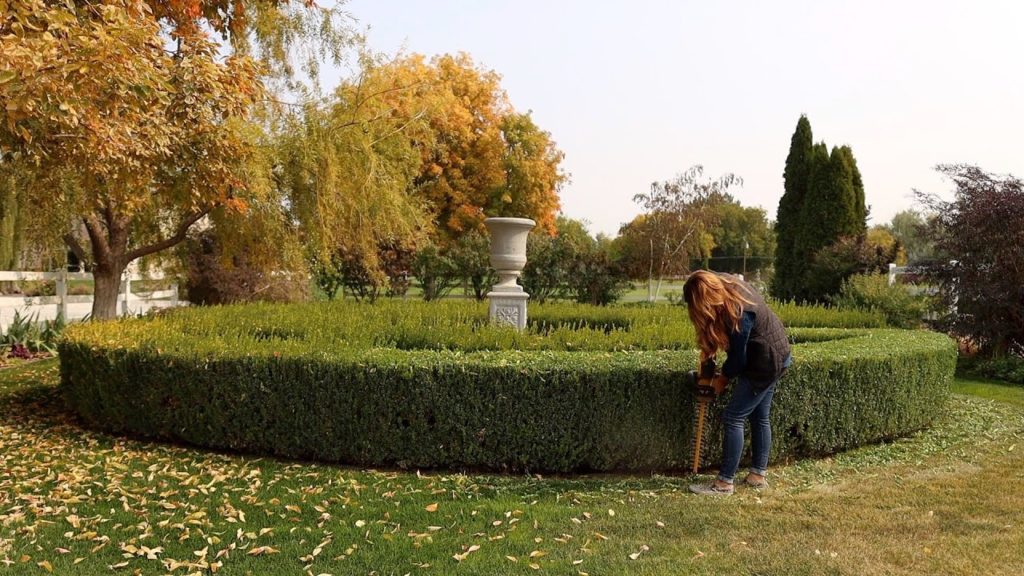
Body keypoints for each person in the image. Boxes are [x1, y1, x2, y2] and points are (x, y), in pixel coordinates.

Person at [683, 270, 792, 496]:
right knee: (760, 416)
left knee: (733, 417)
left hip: (765, 362)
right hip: (779, 355)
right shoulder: (726, 284)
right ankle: (757, 476)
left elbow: (738, 360)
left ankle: (724, 483)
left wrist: (721, 380)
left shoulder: (741, 313)